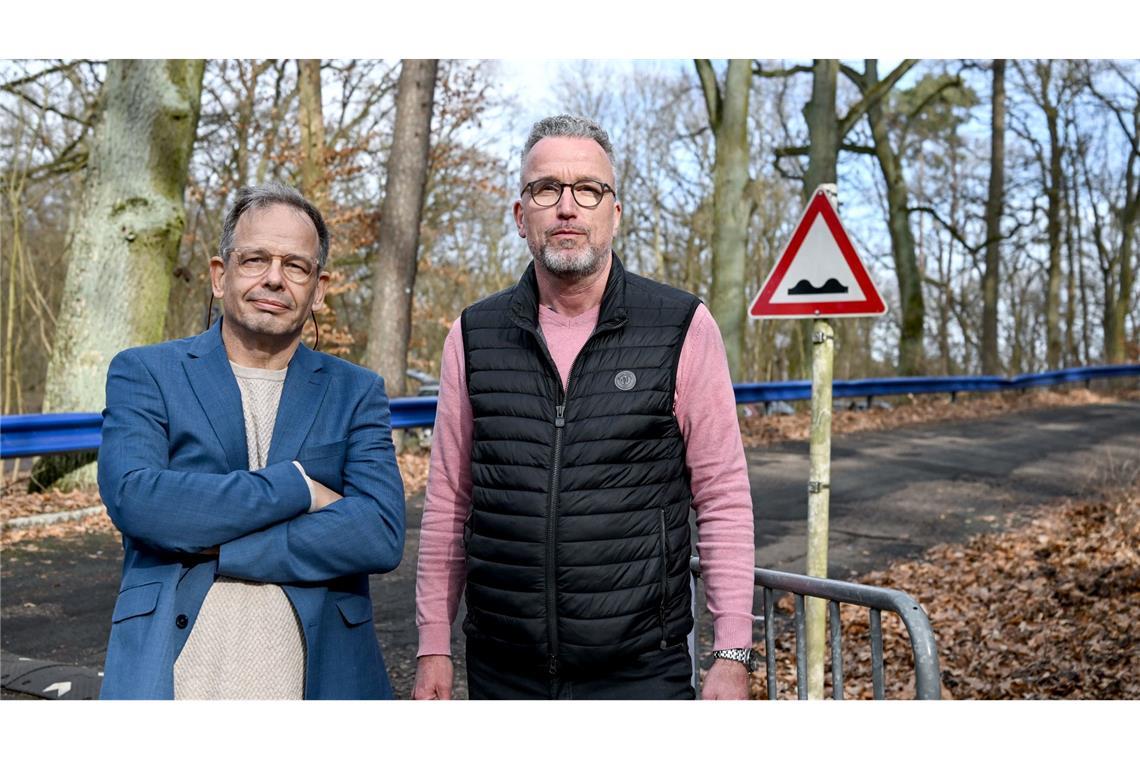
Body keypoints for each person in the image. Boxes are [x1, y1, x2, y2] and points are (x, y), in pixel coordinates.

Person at [413, 115, 757, 700]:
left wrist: (730, 653)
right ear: (522, 216)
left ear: (613, 213)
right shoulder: (473, 335)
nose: (567, 207)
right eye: (546, 189)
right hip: (503, 671)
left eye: (588, 190)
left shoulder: (680, 326)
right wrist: (431, 647)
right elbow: (448, 503)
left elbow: (722, 496)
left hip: (640, 672)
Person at [97, 183, 405, 699]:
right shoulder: (147, 372)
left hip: (320, 681)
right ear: (220, 275)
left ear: (319, 289)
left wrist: (220, 544)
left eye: (296, 266)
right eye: (255, 259)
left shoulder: (356, 391)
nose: (274, 279)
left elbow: (379, 531)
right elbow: (138, 499)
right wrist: (299, 488)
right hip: (175, 679)